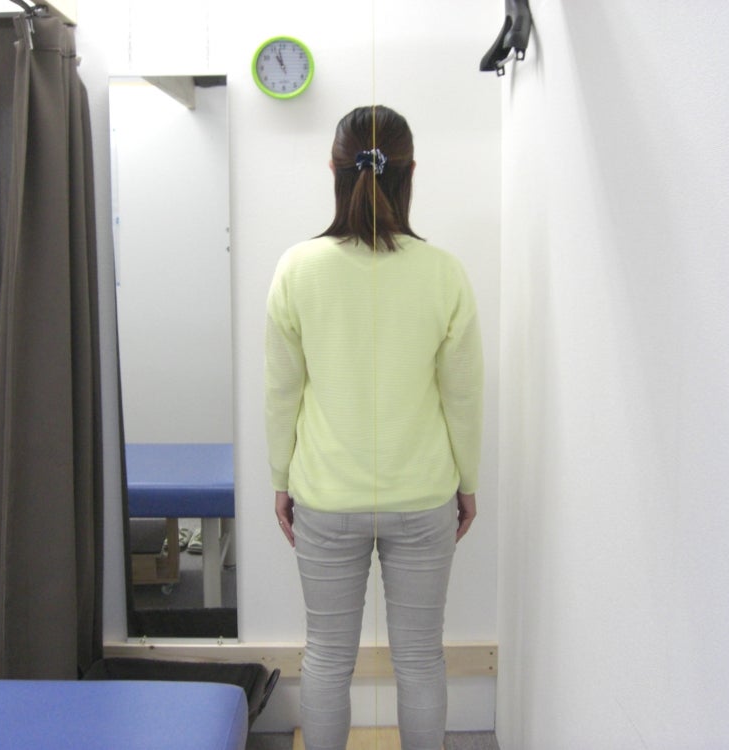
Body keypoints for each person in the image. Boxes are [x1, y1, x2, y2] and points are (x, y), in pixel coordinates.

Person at [264, 105, 483, 750]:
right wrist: (468, 483)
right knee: (420, 659)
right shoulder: (444, 272)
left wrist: (281, 480)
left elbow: (282, 392)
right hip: (424, 497)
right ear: (411, 173)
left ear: (333, 169)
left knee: (328, 657)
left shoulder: (296, 268)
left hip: (326, 497)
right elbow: (463, 395)